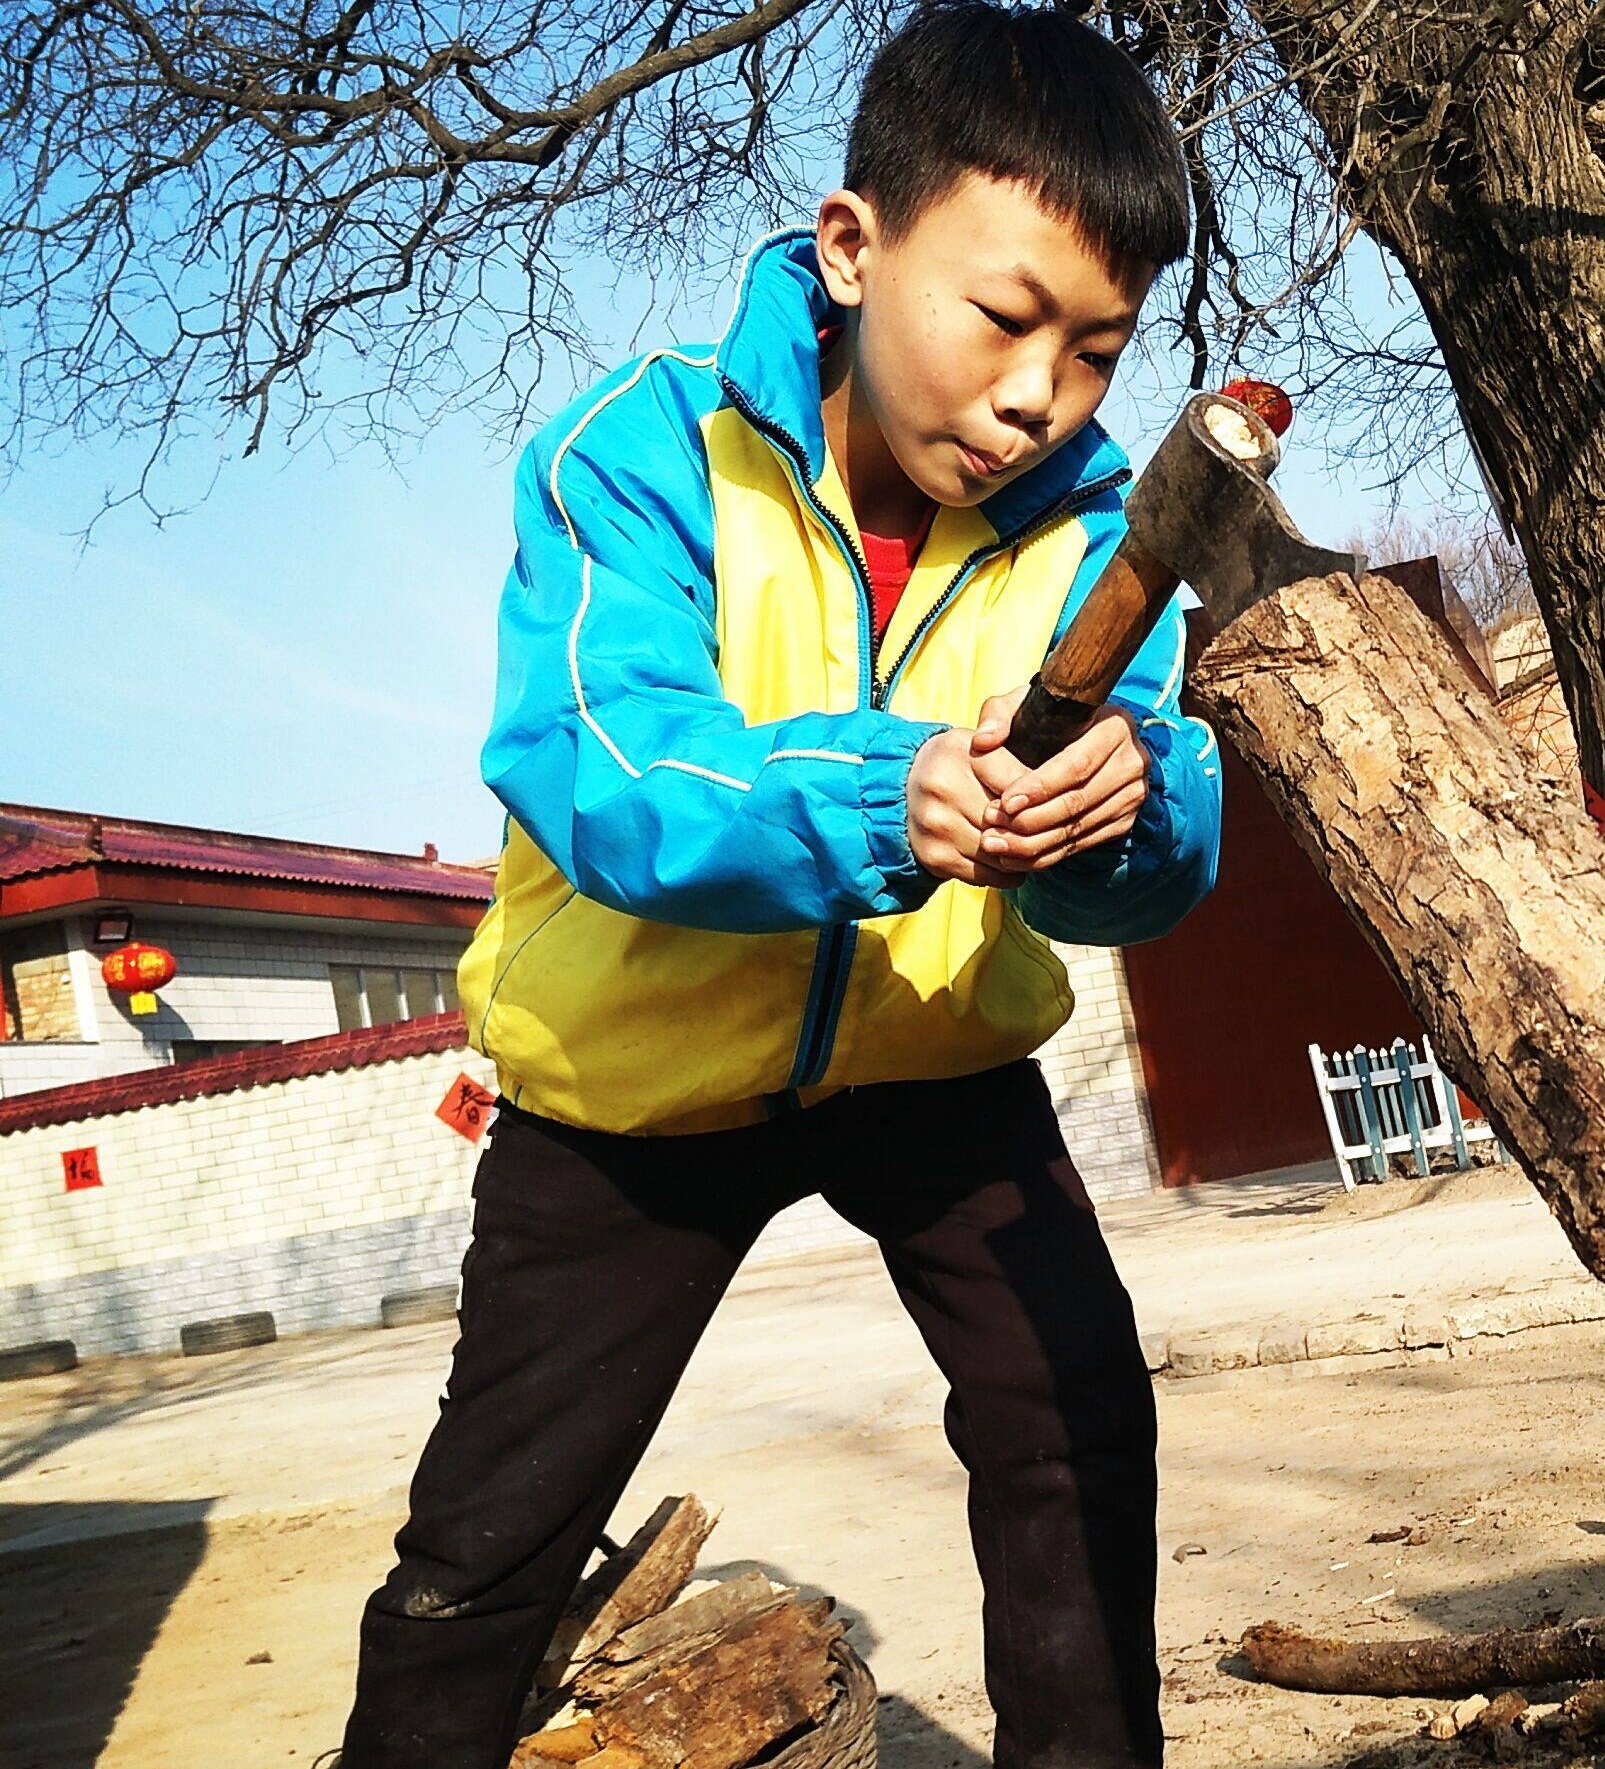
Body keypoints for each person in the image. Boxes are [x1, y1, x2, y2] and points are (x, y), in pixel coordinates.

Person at [337, 6, 1218, 1764]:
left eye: (1101, 349)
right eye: (1006, 315)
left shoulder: (1102, 537)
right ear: (851, 244)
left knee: (1074, 1413)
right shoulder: (639, 454)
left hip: (935, 1056)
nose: (1043, 392)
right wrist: (898, 797)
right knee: (488, 1543)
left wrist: (1124, 818)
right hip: (634, 1089)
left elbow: (1150, 840)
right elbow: (611, 764)